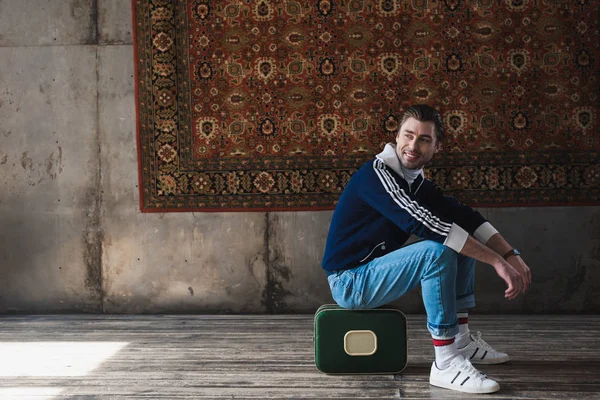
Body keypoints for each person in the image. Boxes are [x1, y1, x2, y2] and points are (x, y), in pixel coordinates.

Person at [321, 104, 532, 394]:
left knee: (459, 241)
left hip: (371, 273)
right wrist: (496, 262)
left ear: (437, 147)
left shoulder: (417, 183)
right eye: (408, 135)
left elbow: (466, 217)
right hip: (350, 281)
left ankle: (461, 342)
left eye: (424, 139)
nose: (413, 145)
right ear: (396, 137)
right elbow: (424, 224)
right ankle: (445, 362)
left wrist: (511, 255)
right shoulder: (376, 175)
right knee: (437, 250)